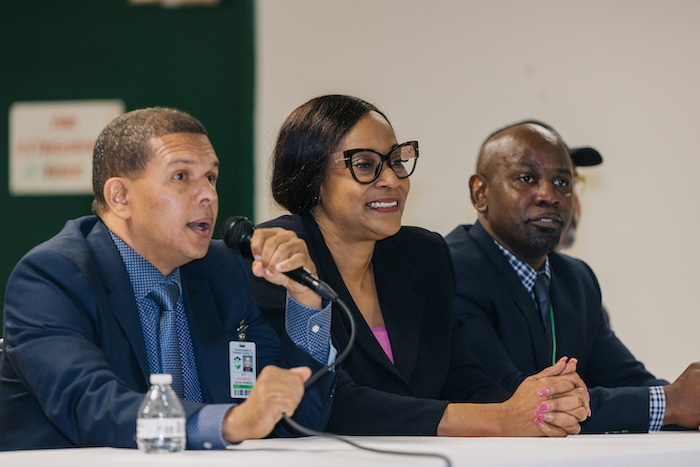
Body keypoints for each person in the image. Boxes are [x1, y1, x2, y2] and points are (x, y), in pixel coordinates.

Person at [249, 94, 590, 437]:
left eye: (397, 161)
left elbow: (462, 380)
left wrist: (540, 407)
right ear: (310, 174)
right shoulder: (279, 259)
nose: (392, 179)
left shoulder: (423, 254)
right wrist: (502, 419)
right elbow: (330, 403)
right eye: (365, 165)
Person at [0, 107, 337, 451]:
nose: (208, 194)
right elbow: (91, 407)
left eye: (211, 177)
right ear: (120, 196)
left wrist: (304, 298)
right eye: (181, 176)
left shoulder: (223, 270)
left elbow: (295, 420)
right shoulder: (52, 278)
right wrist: (231, 422)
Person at [446, 121, 700, 433]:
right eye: (527, 179)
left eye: (562, 182)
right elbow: (513, 399)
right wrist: (670, 404)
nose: (549, 195)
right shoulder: (450, 270)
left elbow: (627, 378)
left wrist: (688, 402)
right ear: (480, 193)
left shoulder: (576, 279)